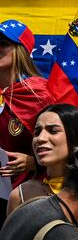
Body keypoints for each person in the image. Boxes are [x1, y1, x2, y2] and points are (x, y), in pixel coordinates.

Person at [0, 19, 49, 191]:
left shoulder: (40, 93)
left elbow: (66, 145)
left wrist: (33, 162)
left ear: (20, 51)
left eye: (3, 43)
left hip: (23, 192)